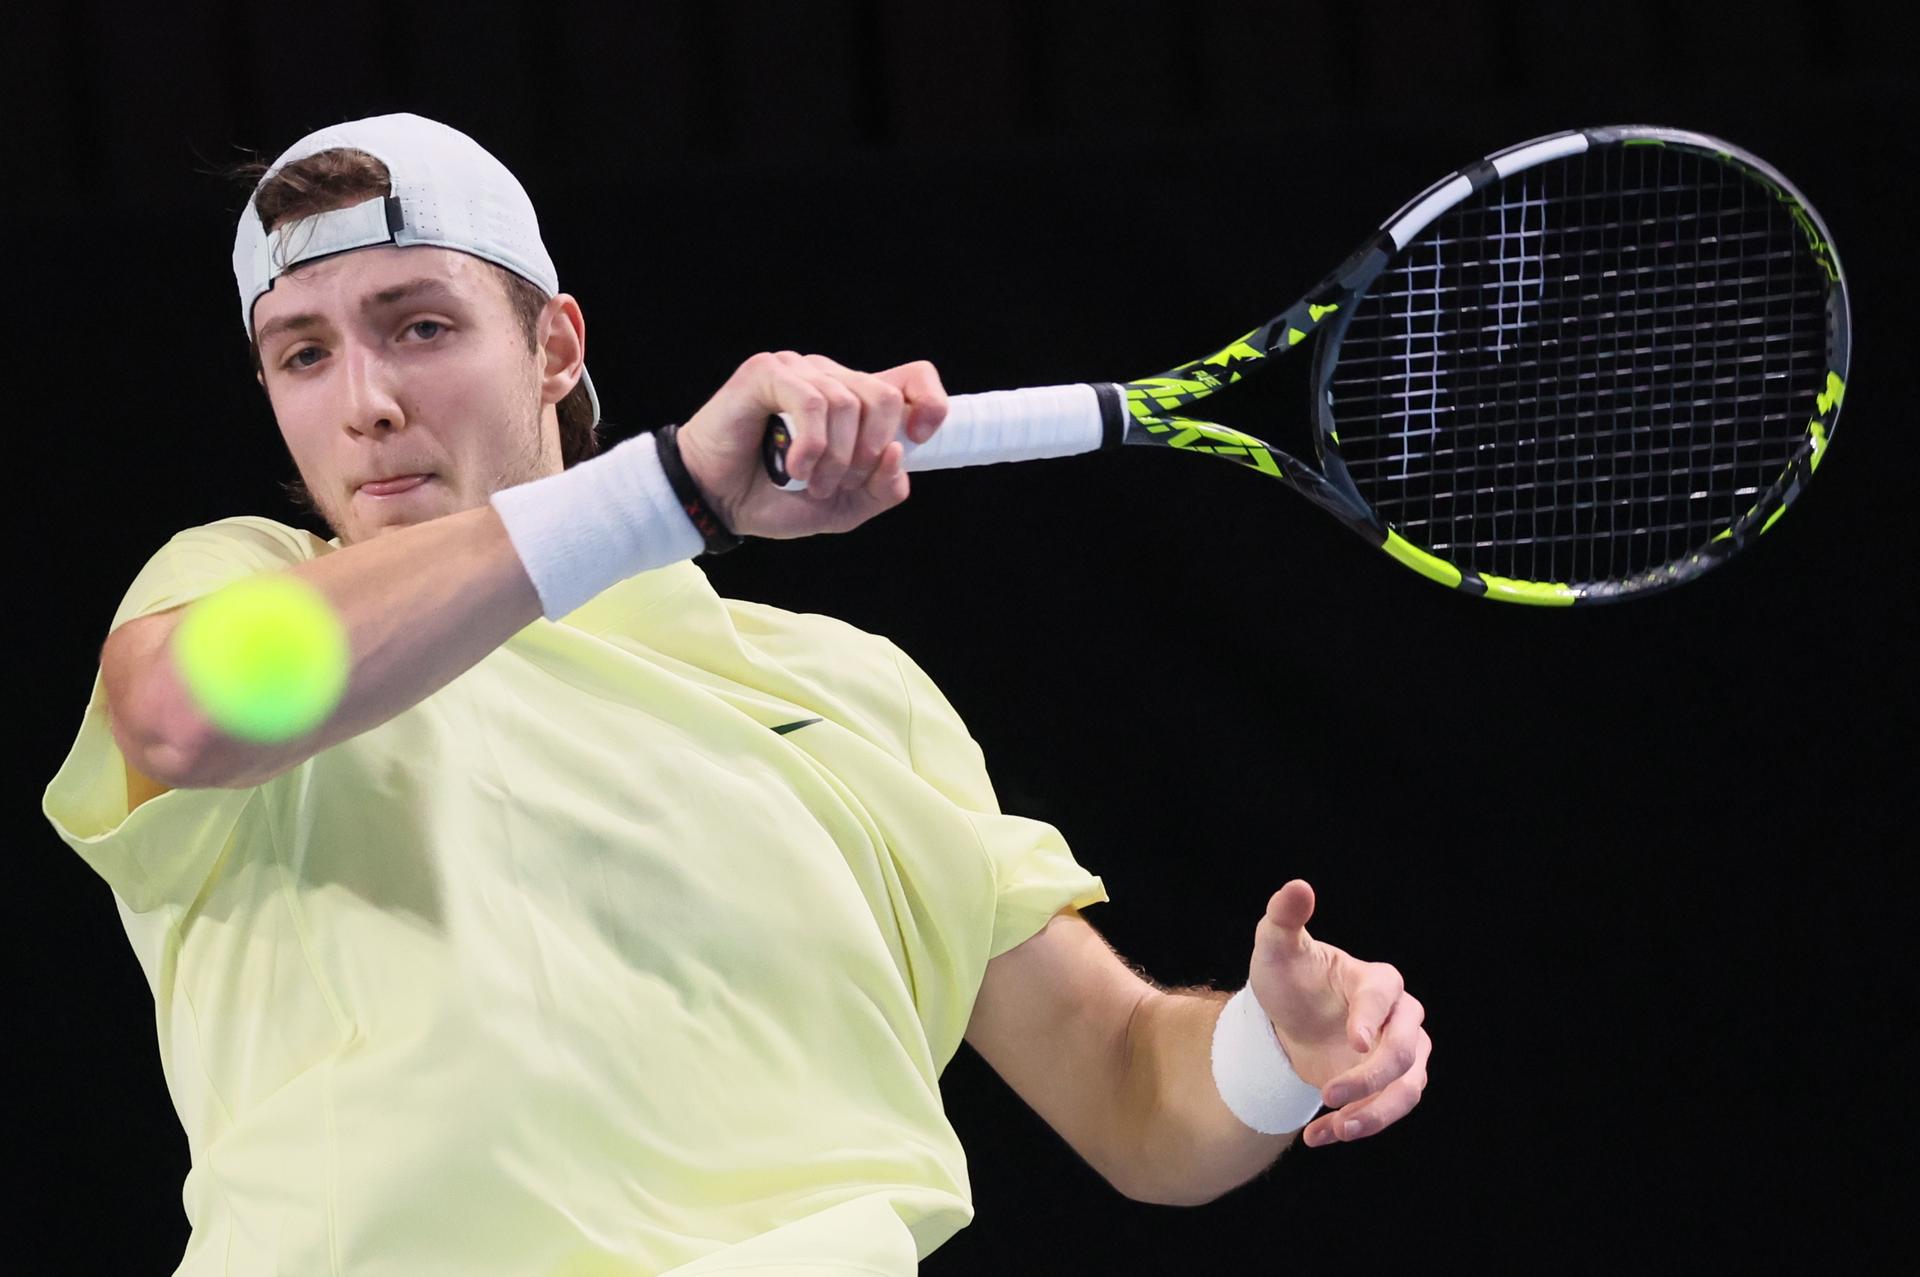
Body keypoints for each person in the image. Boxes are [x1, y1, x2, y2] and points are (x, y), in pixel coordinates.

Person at [42, 113, 1431, 1276]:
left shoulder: (847, 695)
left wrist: (1274, 1046)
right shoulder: (244, 595)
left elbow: (1129, 1088)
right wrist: (673, 491)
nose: (365, 403)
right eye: (303, 353)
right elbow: (189, 714)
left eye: (418, 326)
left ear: (555, 346)